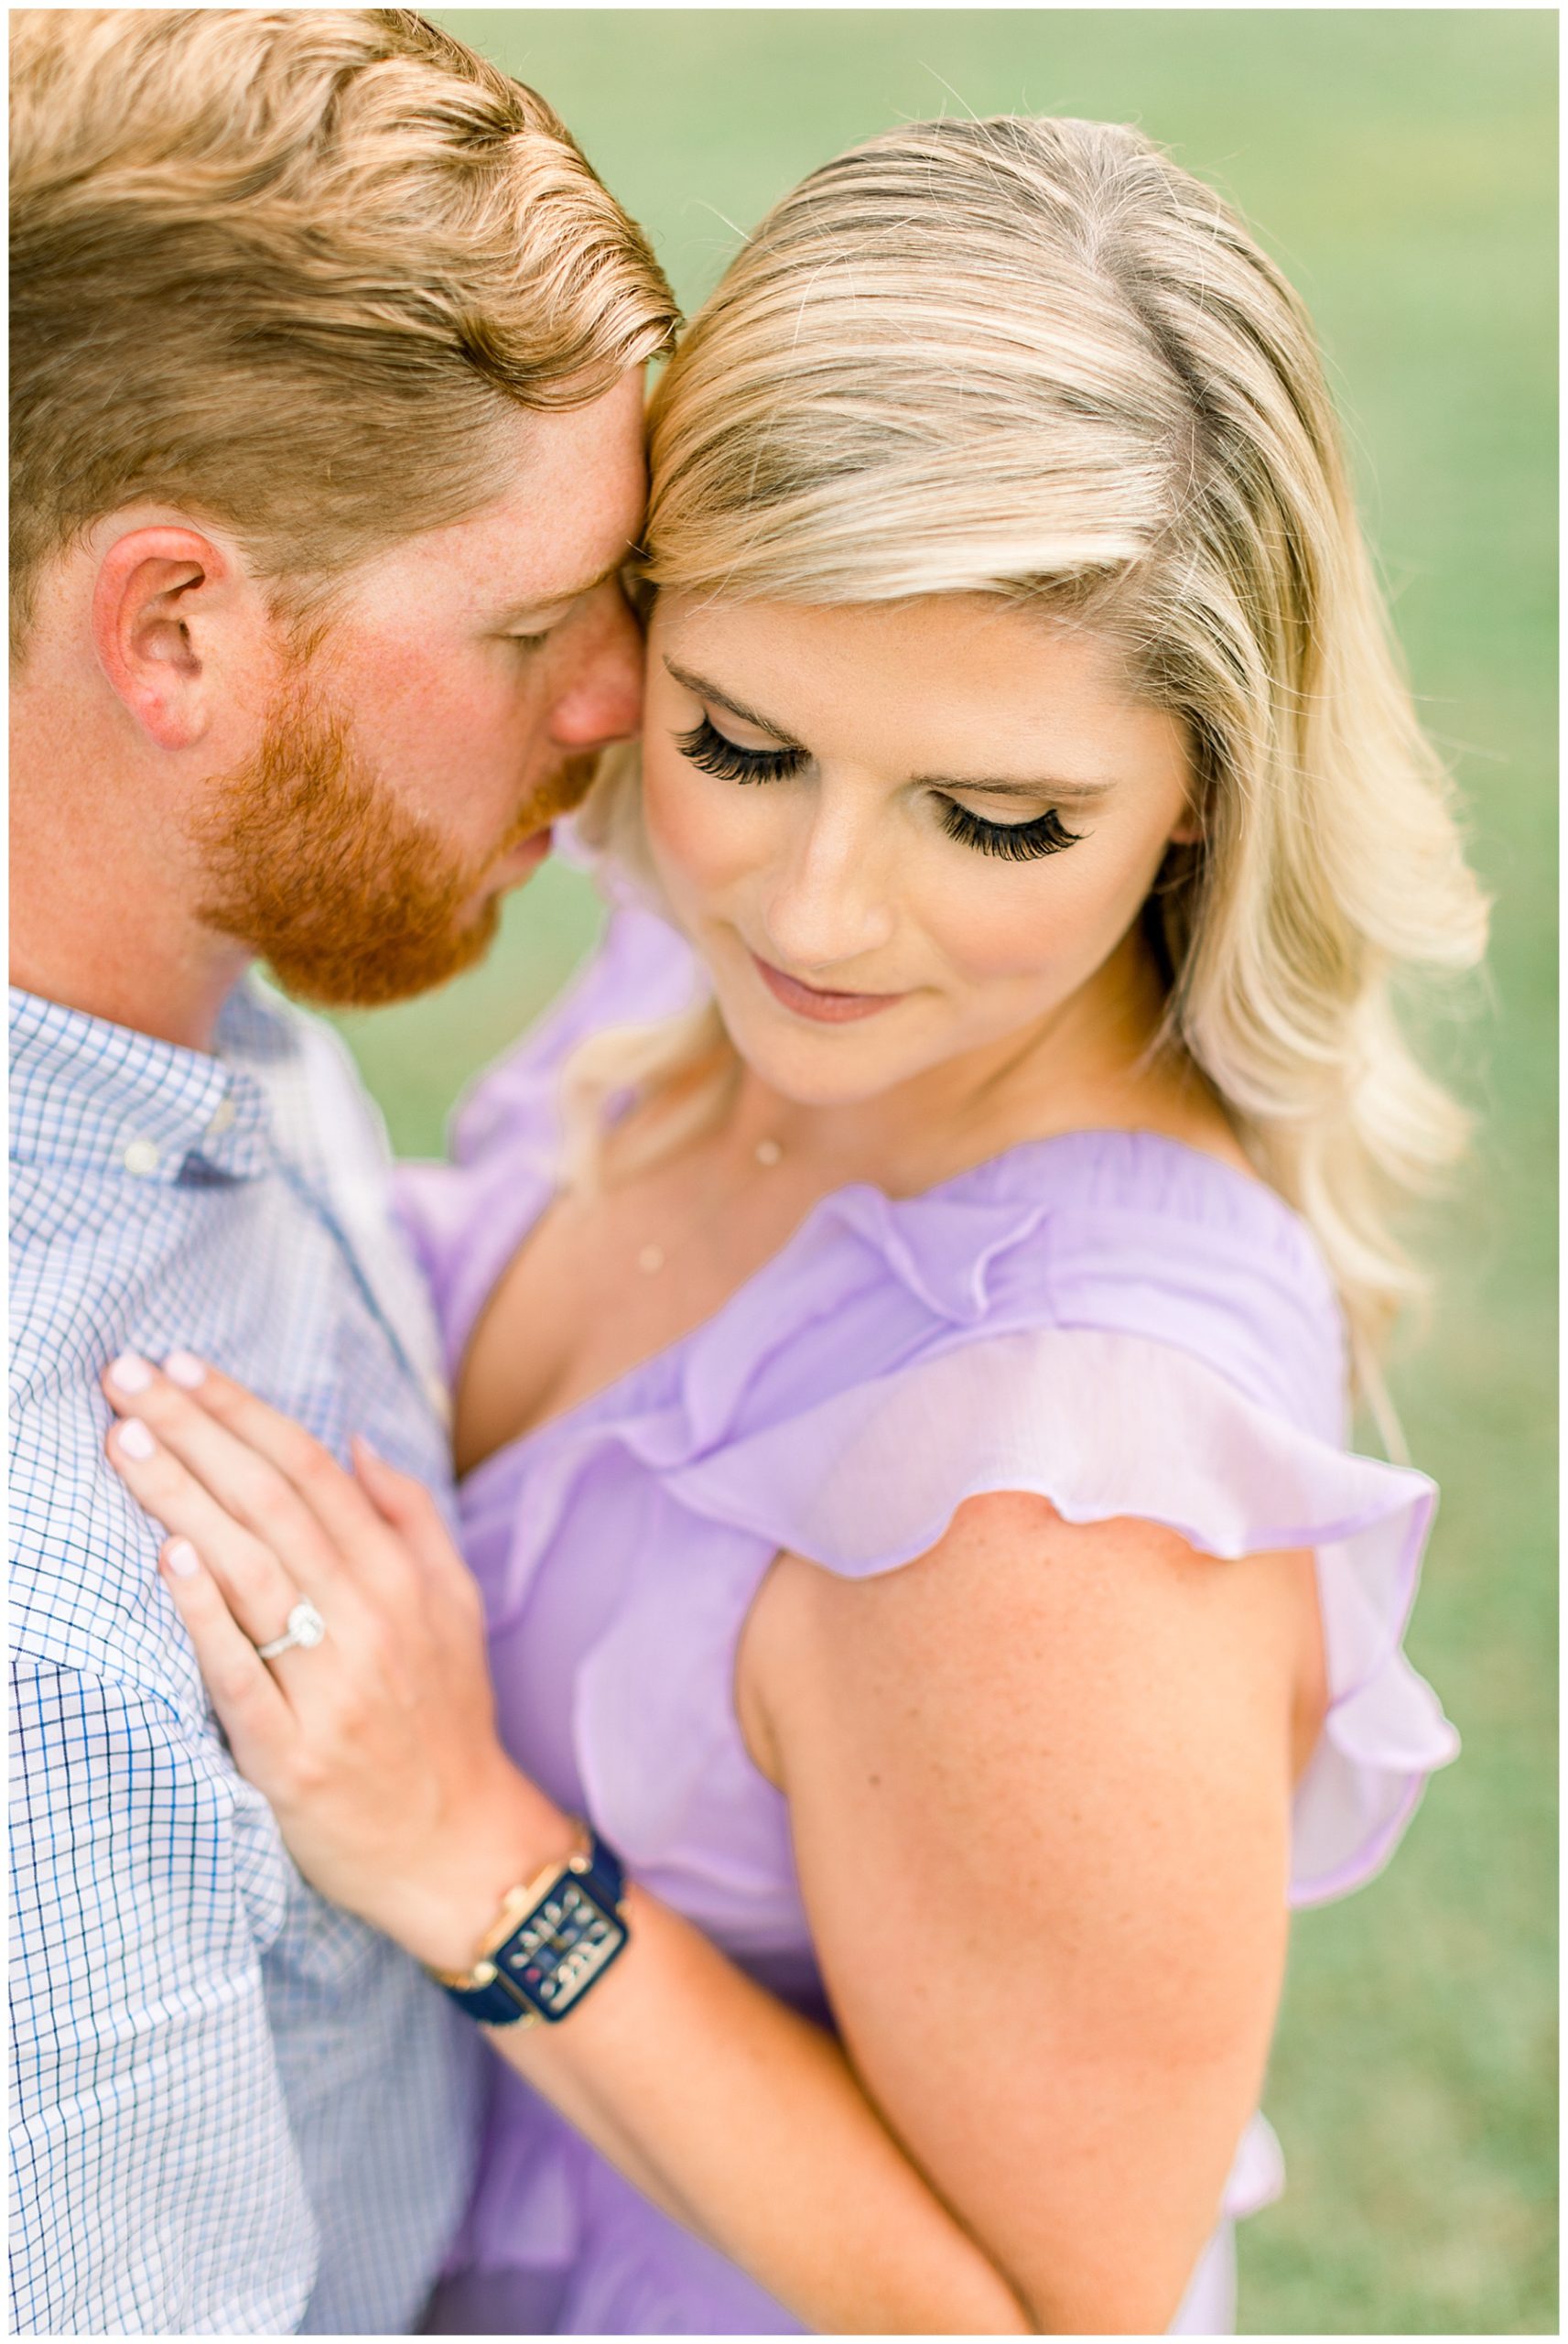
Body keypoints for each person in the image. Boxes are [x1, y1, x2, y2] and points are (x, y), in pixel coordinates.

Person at [99, 115, 1488, 2336]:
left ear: (1202, 788)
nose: (819, 910)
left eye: (997, 815)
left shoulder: (1059, 1492)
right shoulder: (718, 971)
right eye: (741, 742)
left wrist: (474, 1849)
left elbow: (1057, 2316)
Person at [8, 9, 676, 2332]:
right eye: (526, 624)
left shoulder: (195, 989)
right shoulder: (48, 1650)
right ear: (176, 629)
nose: (621, 696)